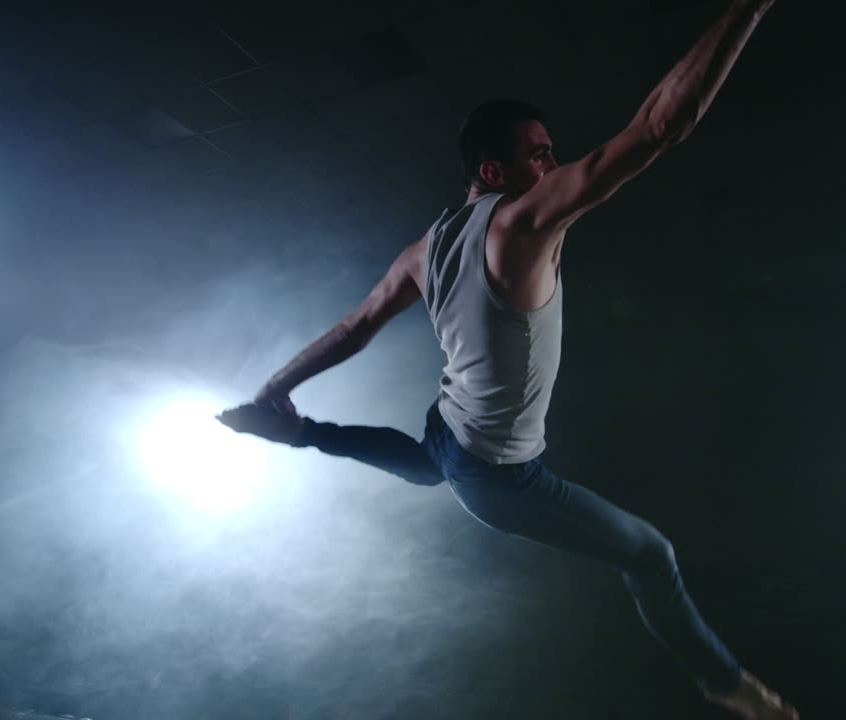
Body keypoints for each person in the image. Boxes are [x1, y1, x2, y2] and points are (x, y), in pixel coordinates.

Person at [219, 1, 796, 716]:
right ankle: (729, 687)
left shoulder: (423, 249)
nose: (554, 163)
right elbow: (658, 127)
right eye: (540, 153)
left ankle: (299, 432)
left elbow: (354, 325)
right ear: (495, 169)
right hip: (501, 477)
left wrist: (277, 387)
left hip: (448, 426)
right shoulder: (523, 219)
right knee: (651, 556)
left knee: (432, 465)